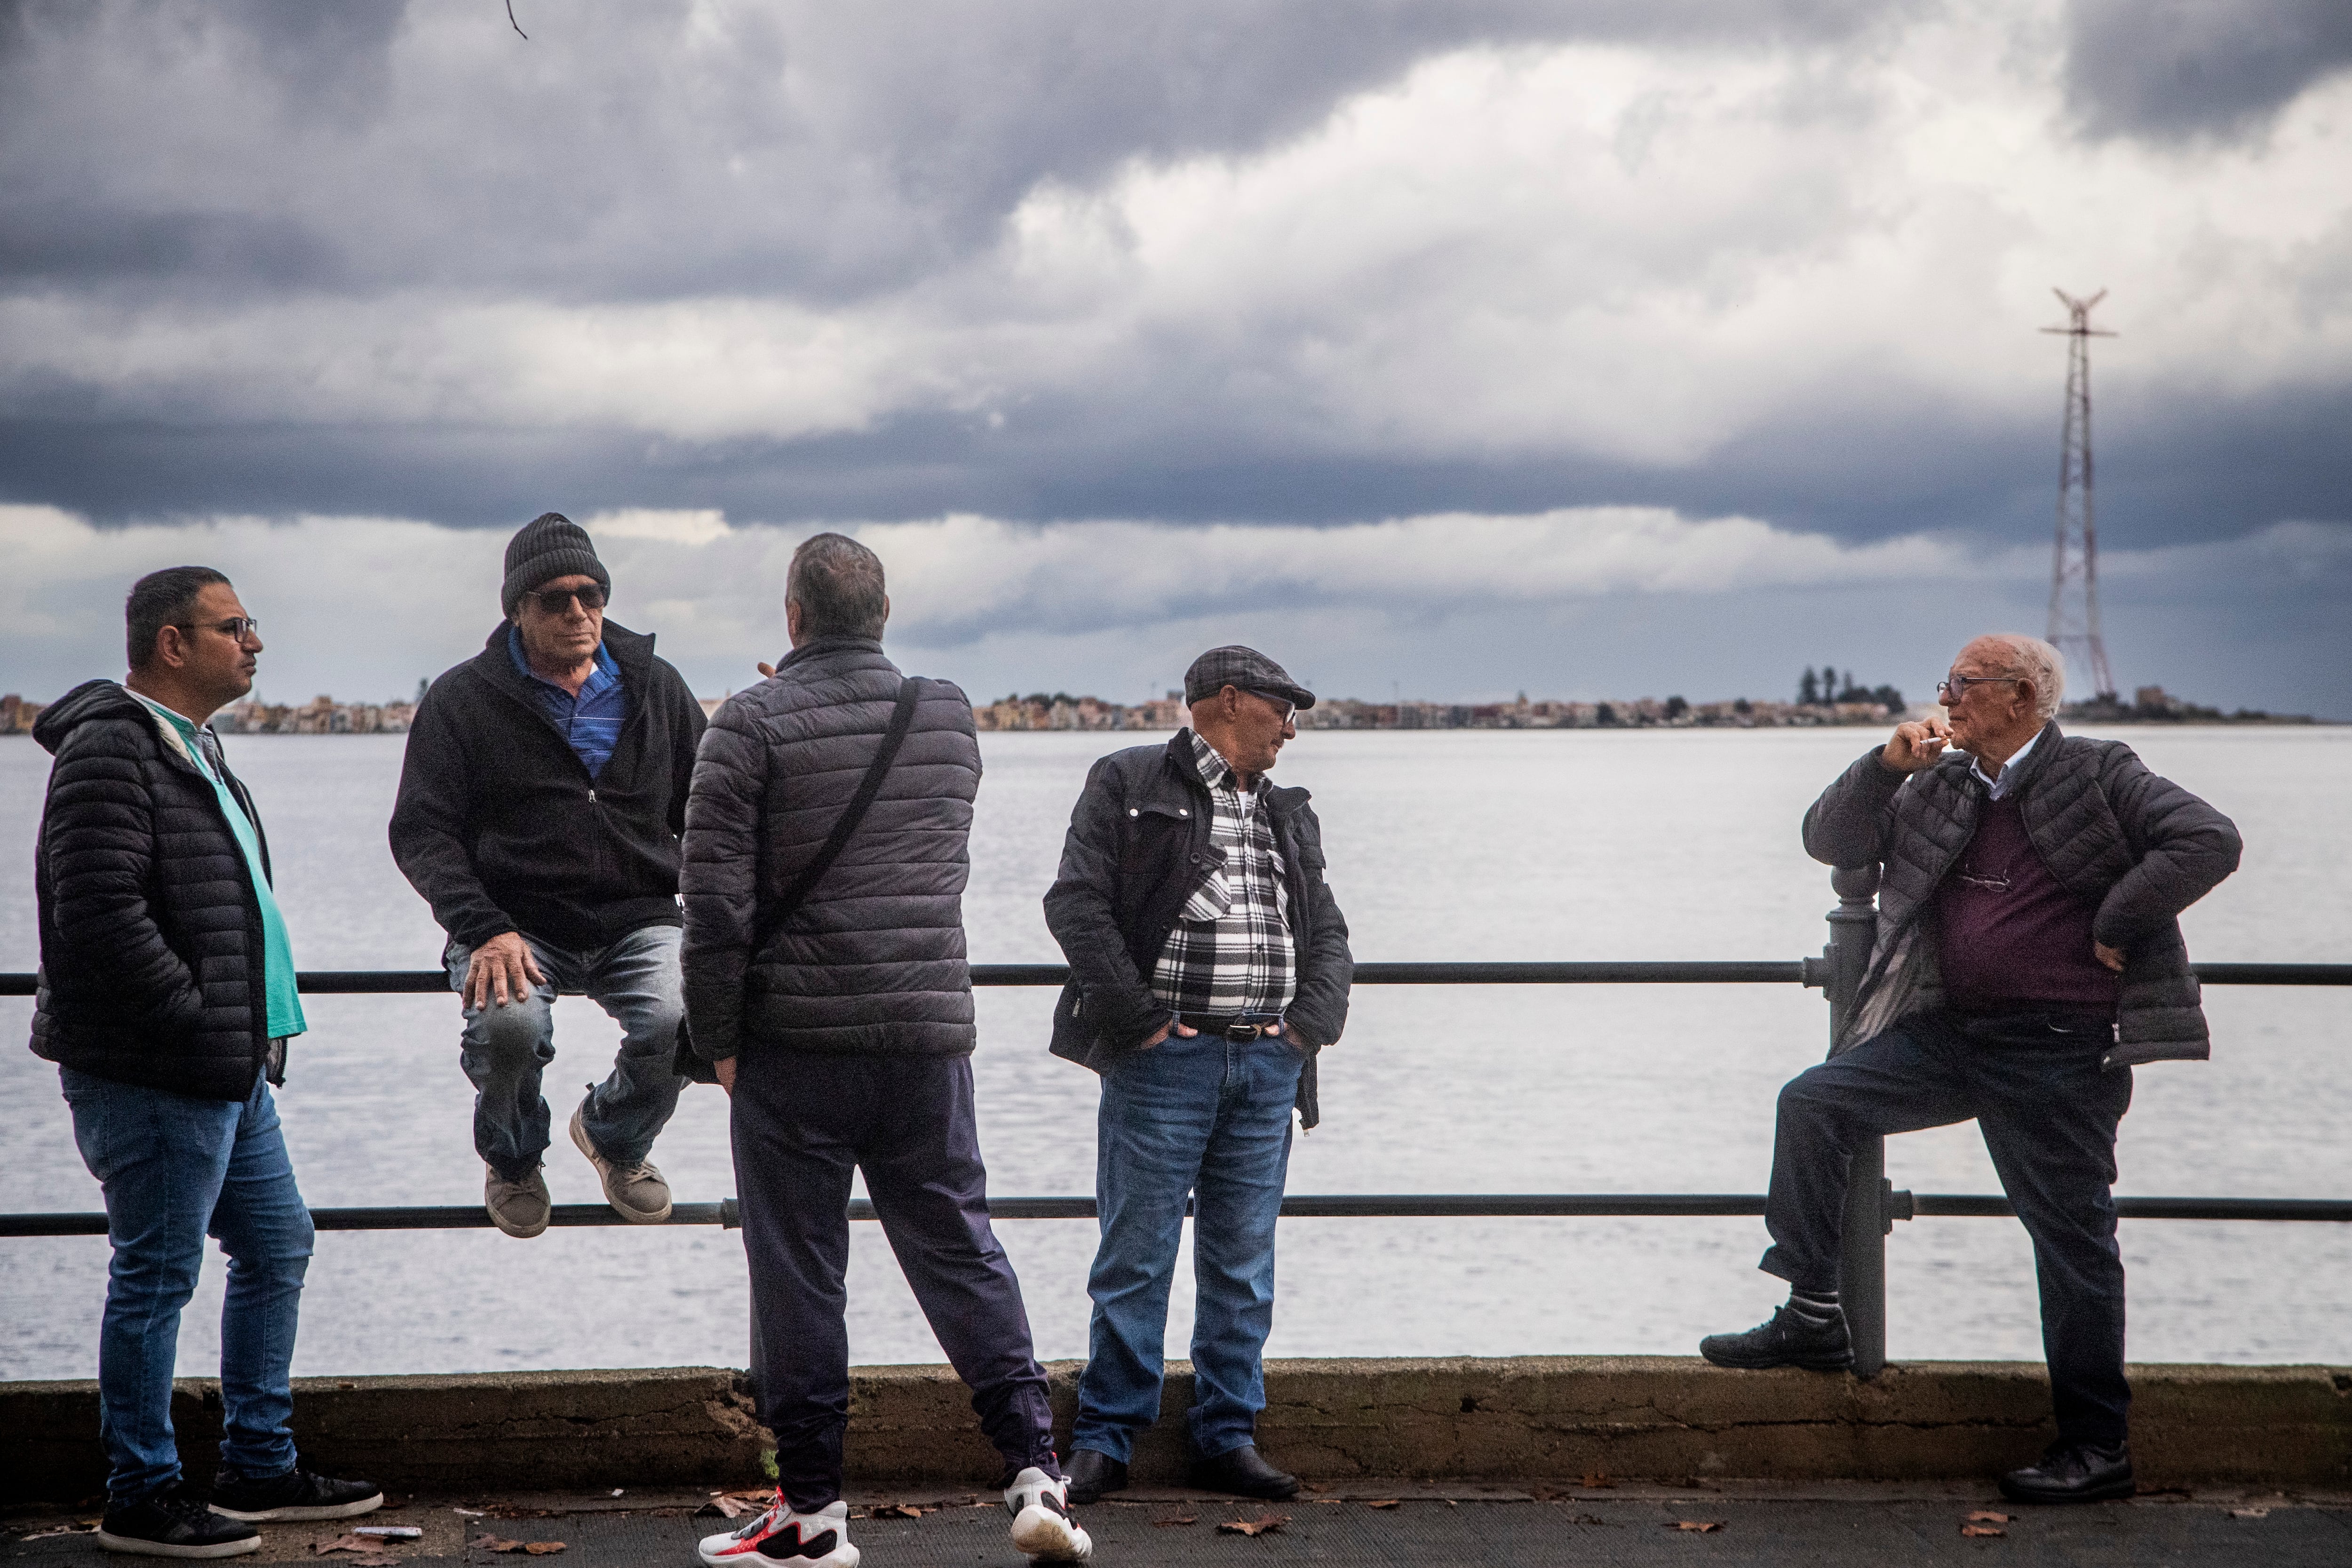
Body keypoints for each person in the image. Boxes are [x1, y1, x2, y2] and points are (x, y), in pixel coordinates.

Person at [1700, 633, 2242, 1504]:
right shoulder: (1942, 778)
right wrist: (1884, 765)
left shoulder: (2101, 772)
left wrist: (2119, 917)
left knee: (2072, 1243)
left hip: (2062, 1047)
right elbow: (1829, 838)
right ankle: (1812, 1312)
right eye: (1946, 683)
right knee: (1814, 1102)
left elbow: (2209, 839)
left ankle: (2098, 1446)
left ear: (2023, 696)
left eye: (1965, 684)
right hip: (1954, 1033)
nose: (1947, 697)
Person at [681, 533, 1089, 1568]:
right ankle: (1037, 1471)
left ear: (790, 616)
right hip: (924, 1035)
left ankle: (813, 1513)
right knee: (959, 1245)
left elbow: (716, 912)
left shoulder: (745, 727)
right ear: (886, 610)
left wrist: (718, 1041)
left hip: (796, 1044)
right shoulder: (947, 714)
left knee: (801, 1274)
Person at [32, 568, 381, 1558]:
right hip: (158, 1068)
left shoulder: (191, 746)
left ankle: (257, 1462)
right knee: (155, 1274)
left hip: (226, 1067)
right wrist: (194, 1017)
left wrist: (232, 1030)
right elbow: (97, 913)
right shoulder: (111, 749)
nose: (256, 642)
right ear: (172, 643)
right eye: (235, 627)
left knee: (278, 1244)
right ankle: (140, 1491)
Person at [1041, 646, 1355, 1505]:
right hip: (1164, 1064)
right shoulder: (1130, 779)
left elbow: (1326, 928)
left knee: (1244, 1262)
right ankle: (1106, 1438)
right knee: (1136, 1256)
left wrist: (1308, 1026)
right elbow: (1074, 905)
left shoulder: (1289, 810)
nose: (1292, 728)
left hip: (1267, 1063)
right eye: (1282, 709)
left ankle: (1227, 1434)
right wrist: (1142, 1022)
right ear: (1227, 701)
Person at [389, 513, 707, 1237]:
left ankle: (615, 1137)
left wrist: (721, 922)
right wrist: (483, 927)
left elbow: (711, 807)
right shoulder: (462, 700)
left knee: (682, 1014)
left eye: (591, 594)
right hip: (512, 922)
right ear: (517, 609)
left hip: (640, 916)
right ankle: (513, 1159)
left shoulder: (657, 687)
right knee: (510, 1027)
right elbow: (422, 831)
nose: (578, 611)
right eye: (555, 598)